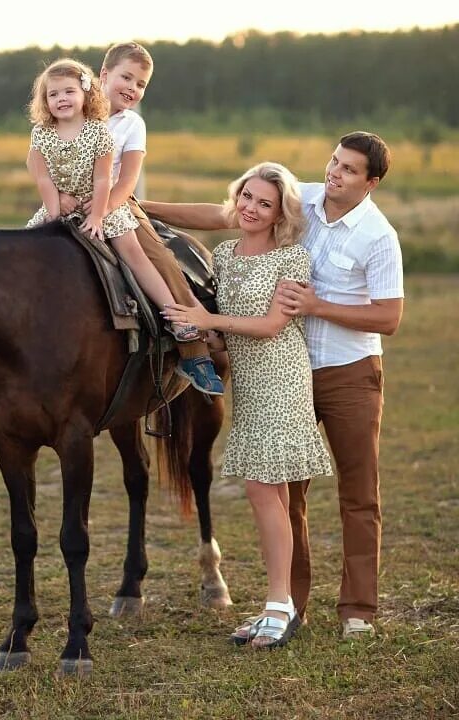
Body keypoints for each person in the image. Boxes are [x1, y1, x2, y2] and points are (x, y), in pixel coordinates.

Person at [146, 131, 404, 640]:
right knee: (288, 492)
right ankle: (290, 602)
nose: (335, 173)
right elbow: (221, 214)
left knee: (358, 494)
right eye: (335, 161)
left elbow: (390, 317)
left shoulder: (378, 236)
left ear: (370, 183)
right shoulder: (299, 198)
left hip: (349, 372)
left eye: (350, 170)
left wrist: (314, 307)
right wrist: (137, 205)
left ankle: (357, 609)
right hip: (290, 369)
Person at [163, 161, 333, 649]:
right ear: (236, 198)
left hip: (282, 377)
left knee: (265, 492)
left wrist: (210, 316)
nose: (252, 209)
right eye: (247, 198)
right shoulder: (224, 254)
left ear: (281, 213)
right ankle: (276, 605)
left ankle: (280, 606)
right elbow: (227, 337)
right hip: (248, 382)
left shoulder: (292, 259)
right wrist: (203, 332)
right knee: (270, 496)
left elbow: (270, 327)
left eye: (265, 203)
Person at [29, 46, 224, 396]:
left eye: (141, 84)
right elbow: (42, 169)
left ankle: (192, 350)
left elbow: (126, 179)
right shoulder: (69, 110)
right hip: (65, 201)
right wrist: (61, 202)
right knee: (22, 256)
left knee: (160, 259)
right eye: (126, 78)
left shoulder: (131, 123)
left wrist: (100, 210)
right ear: (103, 77)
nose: (132, 88)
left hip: (117, 202)